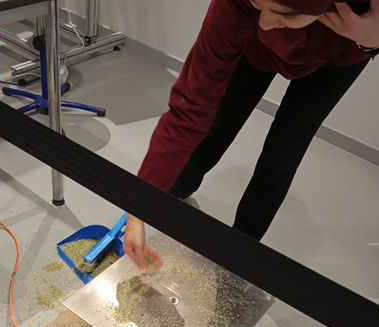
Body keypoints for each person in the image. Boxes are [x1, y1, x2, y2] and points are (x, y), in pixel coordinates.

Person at [123, 0, 379, 270]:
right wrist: (141, 207)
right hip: (254, 44)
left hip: (342, 51)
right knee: (222, 120)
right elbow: (189, 108)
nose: (266, 23)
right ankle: (180, 184)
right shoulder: (237, 8)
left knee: (284, 149)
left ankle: (243, 243)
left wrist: (372, 41)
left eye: (284, 14)